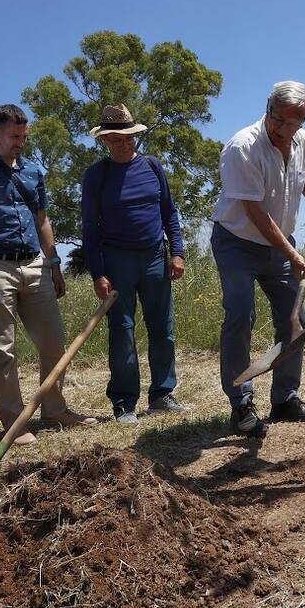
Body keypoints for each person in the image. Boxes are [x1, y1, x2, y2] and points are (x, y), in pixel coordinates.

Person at [0, 105, 95, 444]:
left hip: (34, 264)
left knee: (53, 340)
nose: (20, 143)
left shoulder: (33, 171)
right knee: (2, 348)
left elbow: (42, 219)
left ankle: (54, 408)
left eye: (24, 137)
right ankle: (15, 422)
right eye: (14, 136)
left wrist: (54, 263)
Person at [212, 81, 305, 437]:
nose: (281, 128)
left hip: (280, 244)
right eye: (276, 118)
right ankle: (241, 404)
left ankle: (285, 399)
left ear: (303, 120)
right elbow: (255, 212)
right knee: (239, 314)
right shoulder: (242, 147)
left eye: (291, 123)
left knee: (295, 318)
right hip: (237, 241)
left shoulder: (303, 141)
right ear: (267, 106)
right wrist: (294, 255)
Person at [81, 104, 187, 423]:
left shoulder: (153, 167)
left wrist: (177, 252)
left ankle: (162, 395)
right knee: (123, 331)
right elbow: (90, 229)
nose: (126, 144)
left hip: (155, 255)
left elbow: (169, 212)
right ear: (105, 141)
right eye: (117, 139)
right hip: (117, 262)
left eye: (130, 138)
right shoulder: (96, 176)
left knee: (162, 329)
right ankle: (125, 402)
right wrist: (99, 273)